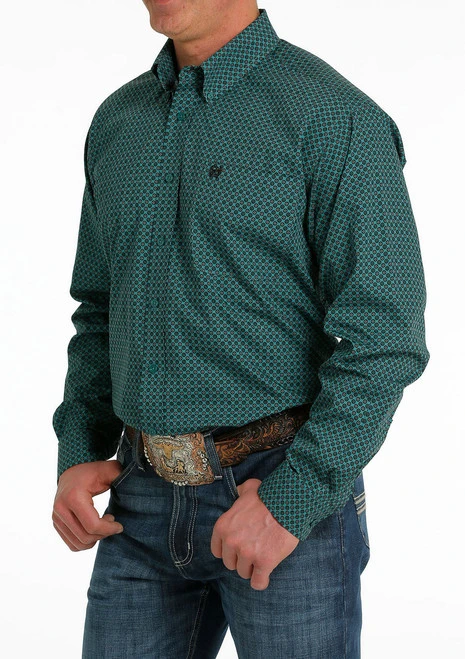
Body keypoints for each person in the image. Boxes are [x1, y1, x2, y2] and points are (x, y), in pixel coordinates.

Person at [51, 2, 430, 657]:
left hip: (278, 490)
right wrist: (79, 447)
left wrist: (292, 499)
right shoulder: (118, 121)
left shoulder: (333, 118)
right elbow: (100, 308)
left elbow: (384, 338)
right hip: (137, 500)